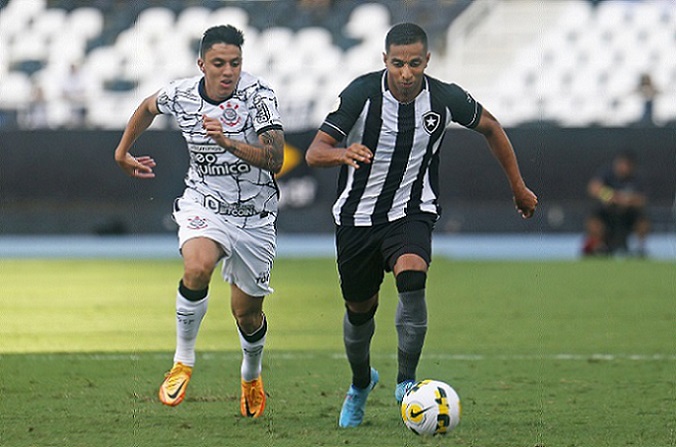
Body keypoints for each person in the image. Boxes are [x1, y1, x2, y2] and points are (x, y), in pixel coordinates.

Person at [305, 22, 538, 428]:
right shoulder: (361, 93)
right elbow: (313, 152)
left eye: (414, 63)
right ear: (385, 61)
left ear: (427, 60)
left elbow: (492, 127)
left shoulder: (444, 98)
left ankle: (406, 383)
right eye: (398, 64)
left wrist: (518, 187)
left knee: (412, 274)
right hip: (357, 218)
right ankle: (361, 383)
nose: (406, 73)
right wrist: (341, 154)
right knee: (360, 311)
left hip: (411, 210)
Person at [113, 25, 285, 418]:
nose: (228, 71)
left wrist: (227, 142)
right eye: (219, 63)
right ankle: (183, 361)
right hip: (204, 204)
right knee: (197, 266)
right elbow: (147, 107)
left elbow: (275, 158)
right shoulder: (183, 94)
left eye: (235, 63)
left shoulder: (259, 96)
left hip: (254, 217)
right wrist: (123, 151)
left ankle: (251, 374)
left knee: (246, 313)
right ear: (202, 63)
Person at [582, 150, 649, 257]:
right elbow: (593, 188)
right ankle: (599, 248)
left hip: (628, 215)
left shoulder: (636, 178)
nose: (623, 167)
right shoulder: (607, 174)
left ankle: (640, 248)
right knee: (593, 222)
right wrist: (611, 196)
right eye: (621, 164)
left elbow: (642, 199)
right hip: (607, 213)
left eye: (627, 165)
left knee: (643, 222)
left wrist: (628, 200)